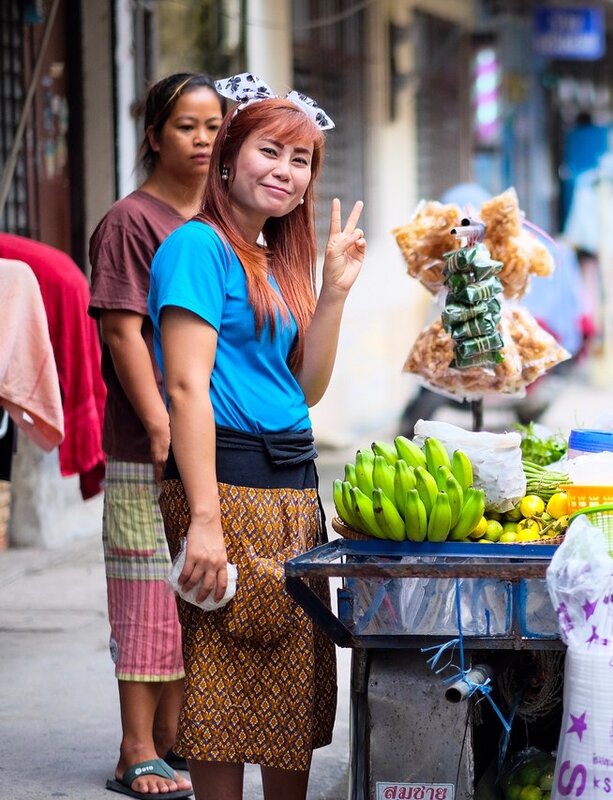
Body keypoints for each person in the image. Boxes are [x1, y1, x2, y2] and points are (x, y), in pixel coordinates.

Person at [147, 73, 365, 800]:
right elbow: (184, 387)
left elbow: (304, 390)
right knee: (227, 682)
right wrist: (204, 521)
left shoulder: (274, 259)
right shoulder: (196, 249)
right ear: (229, 157)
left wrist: (332, 292)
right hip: (226, 484)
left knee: (294, 681)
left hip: (290, 482)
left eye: (301, 160)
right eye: (270, 151)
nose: (286, 171)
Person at [89, 72, 223, 800]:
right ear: (153, 136)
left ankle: (169, 742)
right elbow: (121, 331)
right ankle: (134, 750)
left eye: (213, 126)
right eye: (186, 126)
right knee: (145, 589)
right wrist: (159, 421)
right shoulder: (131, 221)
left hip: (205, 436)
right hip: (148, 444)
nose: (203, 140)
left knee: (193, 593)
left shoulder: (220, 219)